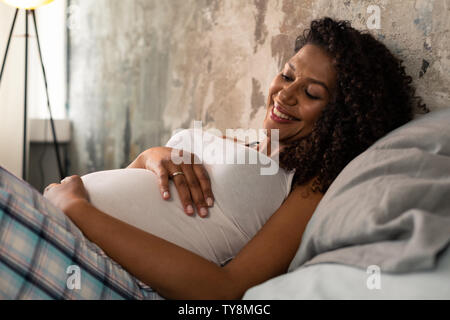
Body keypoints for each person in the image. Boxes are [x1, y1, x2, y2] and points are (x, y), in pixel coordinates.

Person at [40, 17, 425, 300]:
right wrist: (151, 157)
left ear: (340, 117)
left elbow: (225, 289)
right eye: (287, 75)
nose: (284, 95)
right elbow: (150, 198)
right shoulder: (243, 144)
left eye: (311, 93)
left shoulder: (310, 184)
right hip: (64, 221)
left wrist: (75, 208)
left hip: (84, 254)